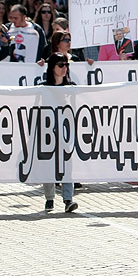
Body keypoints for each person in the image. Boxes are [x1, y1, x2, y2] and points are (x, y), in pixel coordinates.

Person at [41, 53, 79, 212]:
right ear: (52, 67)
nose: (64, 68)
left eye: (66, 65)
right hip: (47, 130)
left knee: (67, 164)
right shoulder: (43, 87)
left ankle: (68, 199)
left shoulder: (71, 87)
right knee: (49, 163)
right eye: (61, 65)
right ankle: (49, 198)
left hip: (65, 129)